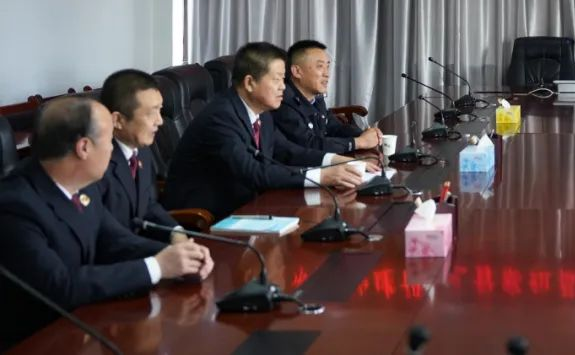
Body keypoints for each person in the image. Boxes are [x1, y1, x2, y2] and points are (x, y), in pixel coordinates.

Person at [0, 97, 213, 349]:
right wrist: (157, 267)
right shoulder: (15, 205)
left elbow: (113, 239)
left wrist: (180, 256)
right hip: (38, 340)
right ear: (84, 148)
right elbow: (60, 285)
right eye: (109, 140)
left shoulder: (81, 185)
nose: (113, 149)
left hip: (86, 323)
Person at [163, 42, 371, 221]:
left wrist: (340, 161)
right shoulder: (221, 117)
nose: (283, 87)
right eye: (277, 79)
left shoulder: (261, 112)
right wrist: (322, 176)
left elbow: (287, 151)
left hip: (250, 203)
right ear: (250, 83)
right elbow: (253, 171)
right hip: (209, 217)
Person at [97, 69, 184, 242]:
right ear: (118, 120)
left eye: (160, 110)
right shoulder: (96, 164)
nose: (160, 121)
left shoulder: (140, 149)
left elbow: (149, 205)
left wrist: (176, 232)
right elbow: (106, 236)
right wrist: (164, 253)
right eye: (151, 113)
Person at [272, 40, 382, 155]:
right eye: (320, 66)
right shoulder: (282, 101)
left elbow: (335, 127)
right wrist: (358, 142)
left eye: (327, 66)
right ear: (297, 71)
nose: (327, 74)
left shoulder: (316, 98)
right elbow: (309, 144)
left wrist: (363, 134)